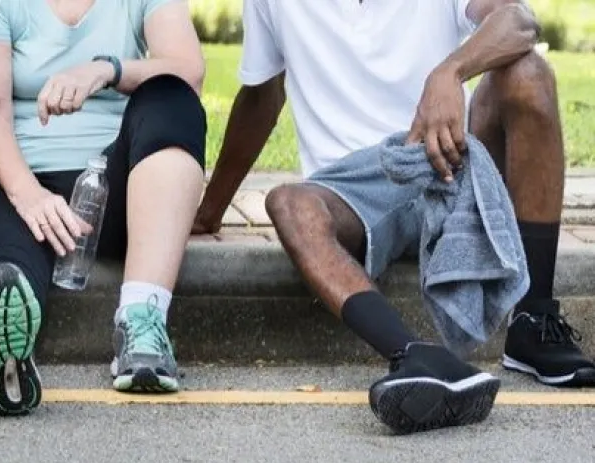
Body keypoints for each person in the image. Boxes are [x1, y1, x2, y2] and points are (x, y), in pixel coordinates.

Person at [194, 0, 595, 433]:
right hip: (351, 188)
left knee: (528, 74)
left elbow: (517, 19)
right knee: (289, 204)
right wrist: (210, 210)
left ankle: (533, 323)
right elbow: (261, 95)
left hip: (445, 161)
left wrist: (450, 72)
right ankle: (418, 358)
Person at [0, 0, 206, 416]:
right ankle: (7, 361)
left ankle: (142, 322)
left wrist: (106, 70)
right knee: (1, 267)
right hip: (13, 179)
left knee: (173, 97)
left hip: (119, 181)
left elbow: (187, 68)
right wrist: (27, 192)